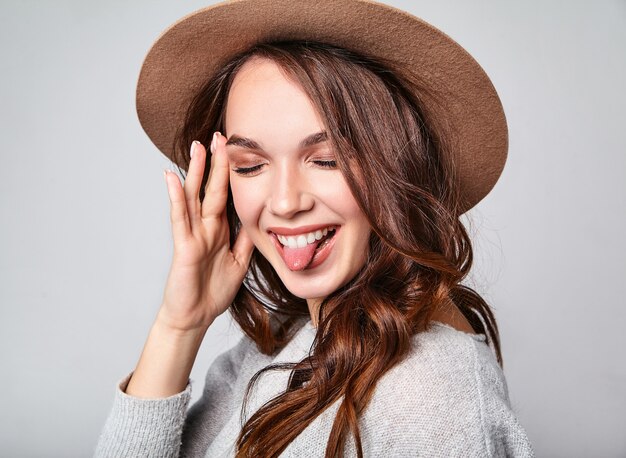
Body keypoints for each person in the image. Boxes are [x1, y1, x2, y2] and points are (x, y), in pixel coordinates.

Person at [96, 0, 534, 456]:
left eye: (326, 160)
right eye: (249, 165)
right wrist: (179, 326)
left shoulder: (428, 392)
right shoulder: (277, 345)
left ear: (397, 166)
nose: (285, 203)